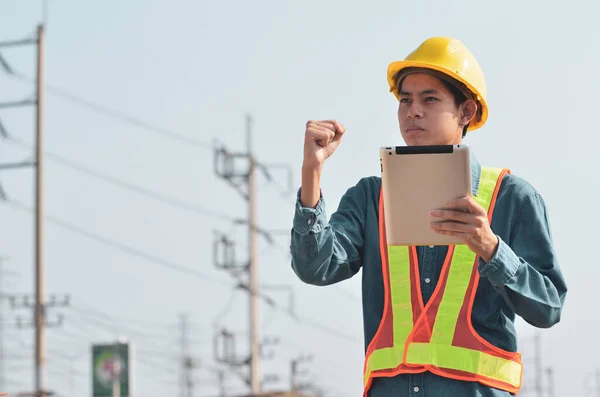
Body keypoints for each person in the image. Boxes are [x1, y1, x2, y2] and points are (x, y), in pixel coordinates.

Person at [289, 37, 568, 397]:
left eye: (429, 99)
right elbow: (315, 267)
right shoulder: (370, 198)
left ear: (466, 112)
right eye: (405, 100)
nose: (412, 111)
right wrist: (312, 171)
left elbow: (548, 307)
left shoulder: (512, 198)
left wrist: (492, 248)